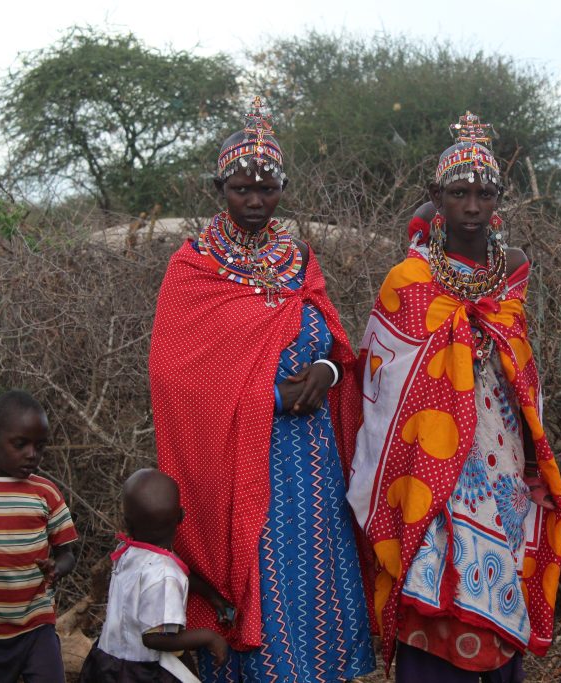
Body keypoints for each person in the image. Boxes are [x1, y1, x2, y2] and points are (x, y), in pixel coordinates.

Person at [149, 97, 375, 682]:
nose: (254, 201)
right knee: (263, 571)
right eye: (240, 189)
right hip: (243, 460)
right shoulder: (194, 266)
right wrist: (271, 399)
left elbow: (331, 338)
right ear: (218, 187)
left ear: (282, 188)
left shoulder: (297, 257)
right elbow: (177, 379)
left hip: (313, 458)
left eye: (266, 189)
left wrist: (325, 375)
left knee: (313, 570)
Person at [347, 112, 561, 681]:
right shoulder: (409, 278)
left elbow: (520, 359)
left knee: (503, 562)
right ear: (436, 197)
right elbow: (382, 374)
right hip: (429, 452)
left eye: (484, 193)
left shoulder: (513, 269)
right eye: (459, 193)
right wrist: (454, 341)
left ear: (499, 198)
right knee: (431, 563)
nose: (472, 205)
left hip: (499, 446)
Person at [0, 390, 78, 682]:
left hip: (36, 620)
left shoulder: (45, 492)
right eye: (21, 444)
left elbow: (67, 553)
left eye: (40, 446)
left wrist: (57, 568)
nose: (32, 455)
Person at [79, 468, 227, 682]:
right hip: (142, 672)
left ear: (126, 523)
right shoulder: (165, 573)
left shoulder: (128, 552)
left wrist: (211, 595)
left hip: (106, 662)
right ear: (182, 516)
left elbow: (168, 575)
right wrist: (209, 637)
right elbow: (155, 638)